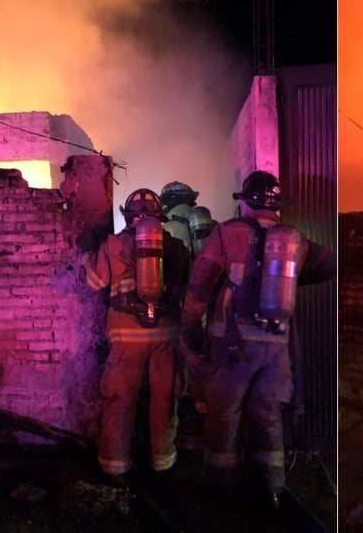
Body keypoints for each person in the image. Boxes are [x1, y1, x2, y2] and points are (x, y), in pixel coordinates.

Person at [180, 170, 335, 511]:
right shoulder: (294, 240)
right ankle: (273, 491)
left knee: (225, 413)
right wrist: (290, 278)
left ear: (246, 201)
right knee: (267, 416)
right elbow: (328, 265)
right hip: (276, 347)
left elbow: (200, 283)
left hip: (233, 346)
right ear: (278, 205)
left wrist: (191, 324)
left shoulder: (227, 234)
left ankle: (222, 489)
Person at [80, 188, 191, 484]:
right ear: (159, 217)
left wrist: (87, 257)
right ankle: (162, 461)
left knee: (120, 399)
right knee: (164, 399)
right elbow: (186, 287)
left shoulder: (114, 244)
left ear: (128, 217)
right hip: (166, 337)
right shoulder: (176, 247)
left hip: (126, 338)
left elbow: (94, 282)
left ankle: (115, 467)